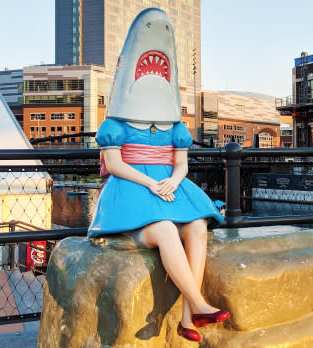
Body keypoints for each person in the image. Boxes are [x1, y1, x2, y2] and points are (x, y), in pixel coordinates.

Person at [88, 8, 229, 342]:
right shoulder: (114, 126)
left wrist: (175, 180)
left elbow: (182, 163)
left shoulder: (176, 128)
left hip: (168, 188)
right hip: (132, 194)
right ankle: (197, 303)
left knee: (197, 224)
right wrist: (152, 182)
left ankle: (187, 319)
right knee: (165, 230)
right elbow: (117, 164)